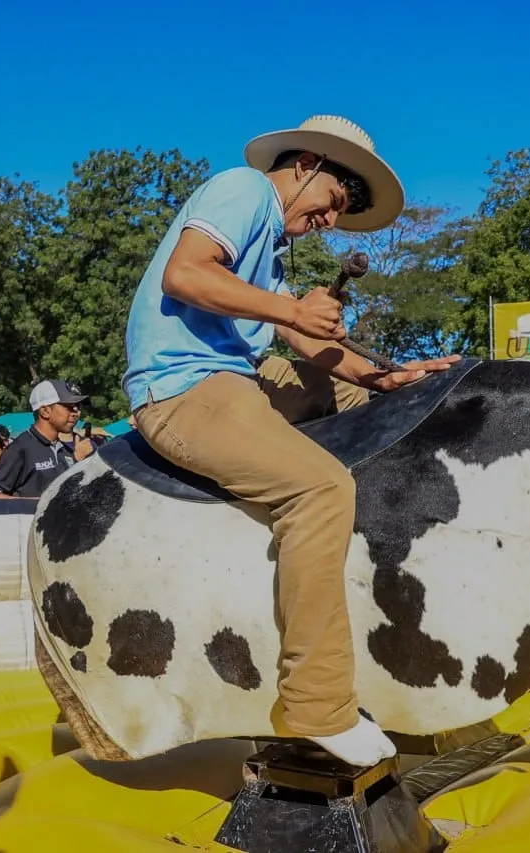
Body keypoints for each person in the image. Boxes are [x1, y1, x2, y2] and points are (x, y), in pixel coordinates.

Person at [121, 115, 460, 766]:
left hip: (239, 377)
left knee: (359, 399)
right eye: (334, 202)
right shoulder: (244, 188)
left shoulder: (270, 242)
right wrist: (292, 310)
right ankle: (318, 705)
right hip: (185, 389)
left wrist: (393, 377)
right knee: (322, 485)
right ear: (306, 163)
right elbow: (185, 274)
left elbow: (308, 342)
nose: (332, 221)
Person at [0, 379, 99, 498]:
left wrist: (78, 461)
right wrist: (36, 504)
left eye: (77, 407)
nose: (76, 412)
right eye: (69, 406)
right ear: (45, 411)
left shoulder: (66, 450)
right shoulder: (20, 449)